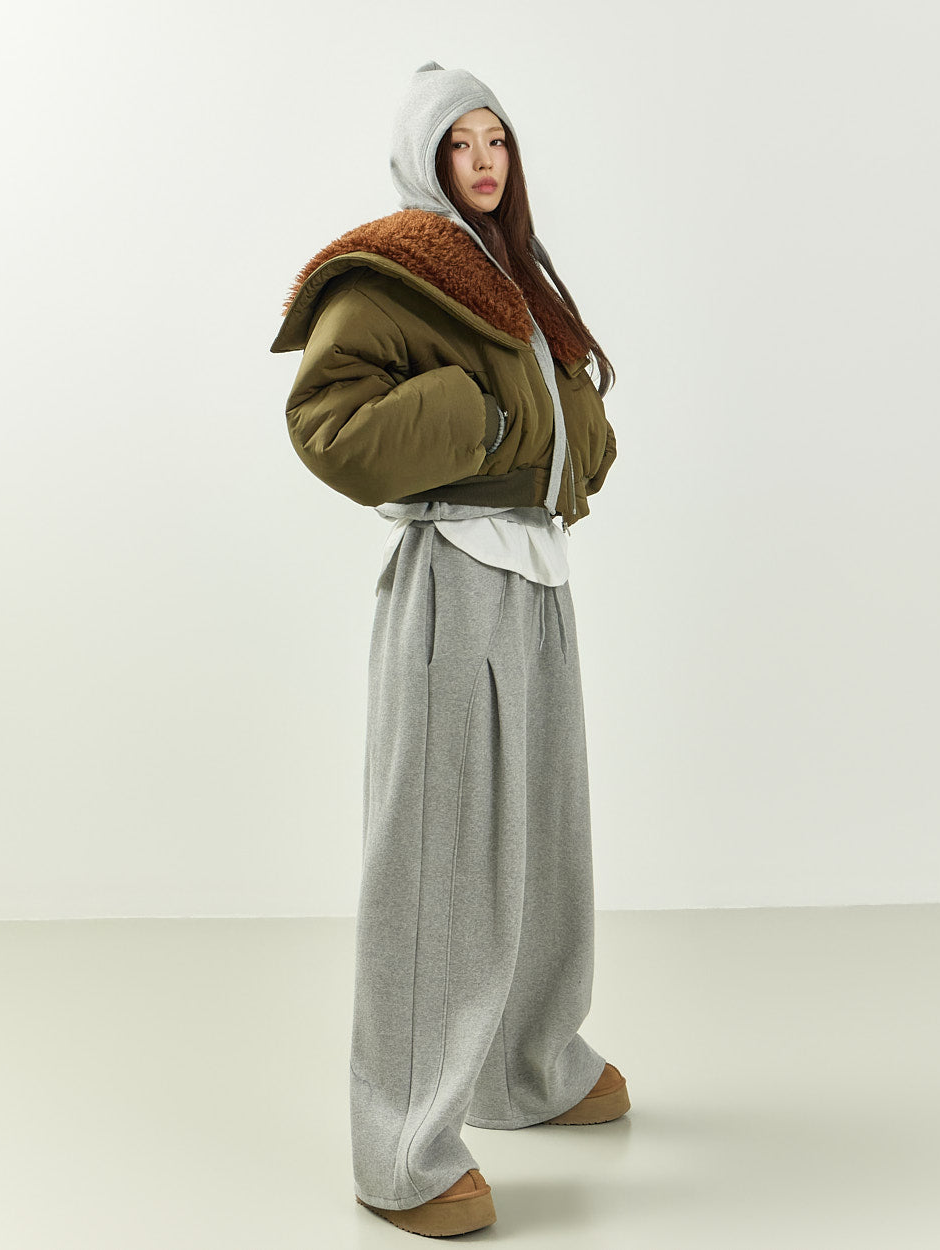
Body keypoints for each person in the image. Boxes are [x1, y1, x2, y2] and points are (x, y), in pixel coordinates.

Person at [269, 60, 630, 1239]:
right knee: (440, 855)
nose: (482, 161)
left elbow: (564, 427)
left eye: (496, 141)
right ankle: (402, 1149)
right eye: (460, 142)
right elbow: (327, 421)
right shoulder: (390, 267)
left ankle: (526, 1064)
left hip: (535, 571)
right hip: (455, 573)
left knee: (542, 832)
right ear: (423, 156)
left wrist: (568, 434)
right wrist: (487, 420)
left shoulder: (515, 275)